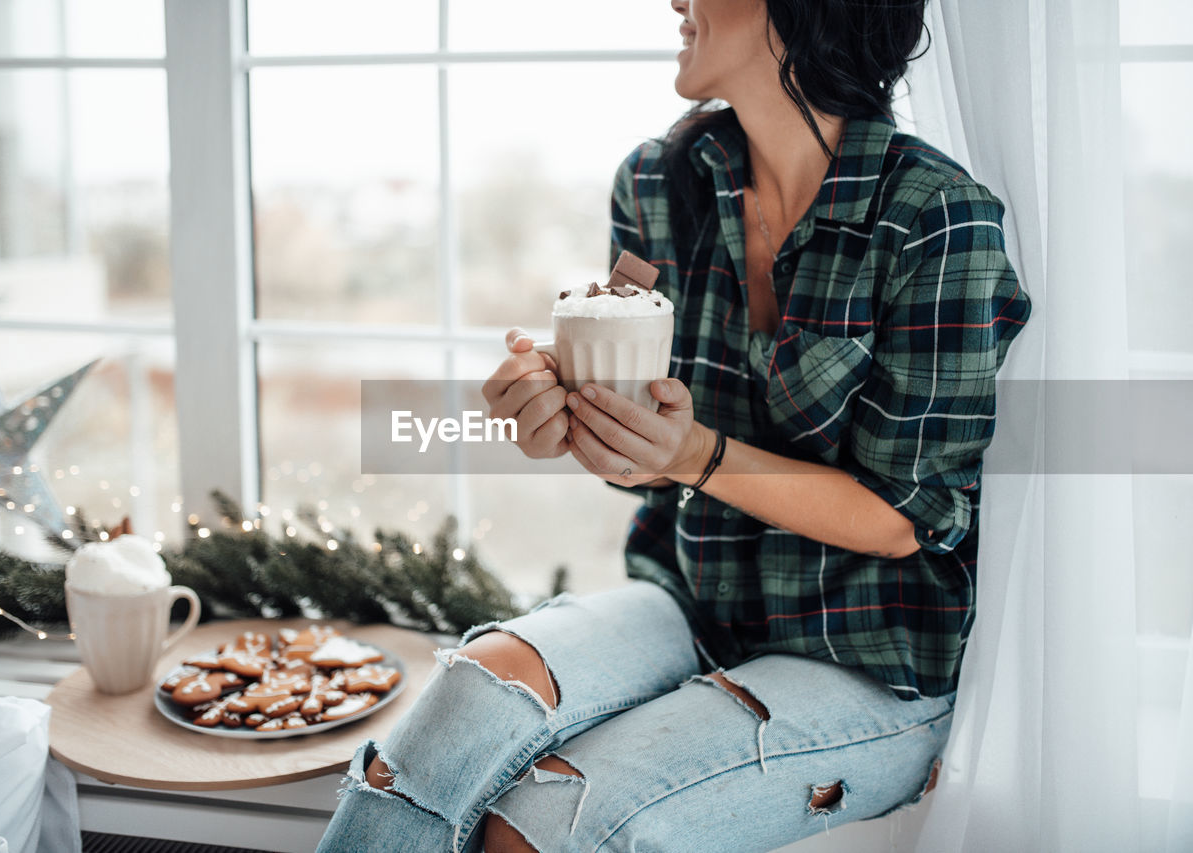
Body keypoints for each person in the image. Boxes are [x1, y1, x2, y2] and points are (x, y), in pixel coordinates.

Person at [317, 0, 1030, 850]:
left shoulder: (937, 219)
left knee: (542, 824)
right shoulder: (658, 181)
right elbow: (646, 443)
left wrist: (698, 453)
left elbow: (900, 517)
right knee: (465, 701)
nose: (675, 1)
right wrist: (565, 418)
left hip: (869, 661)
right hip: (694, 602)